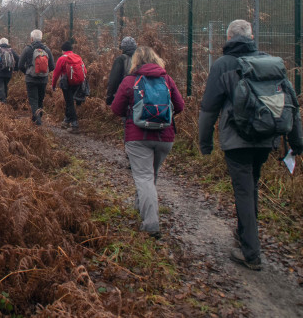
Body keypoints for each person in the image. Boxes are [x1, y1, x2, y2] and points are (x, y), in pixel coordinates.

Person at [198, 19, 303, 270]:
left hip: (237, 141)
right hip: (267, 137)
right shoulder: (270, 63)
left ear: (228, 37)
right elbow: (292, 104)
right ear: (251, 37)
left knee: (244, 190)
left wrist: (205, 143)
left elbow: (208, 109)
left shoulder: (223, 65)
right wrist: (296, 141)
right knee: (251, 185)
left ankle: (251, 252)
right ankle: (246, 235)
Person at [111, 46, 184, 239]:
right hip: (165, 136)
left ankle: (151, 223)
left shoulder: (130, 81)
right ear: (156, 59)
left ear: (135, 61)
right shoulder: (167, 79)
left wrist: (132, 111)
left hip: (138, 137)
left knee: (144, 177)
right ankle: (141, 206)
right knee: (151, 175)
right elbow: (180, 106)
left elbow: (116, 109)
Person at [18, 29, 55, 125]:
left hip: (31, 79)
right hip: (43, 79)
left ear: (31, 39)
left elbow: (20, 65)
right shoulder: (47, 49)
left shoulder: (28, 49)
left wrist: (27, 72)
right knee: (40, 99)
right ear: (41, 38)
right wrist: (44, 72)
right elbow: (52, 66)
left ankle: (37, 121)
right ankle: (38, 117)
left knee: (33, 100)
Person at [52, 41, 86, 133]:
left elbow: (56, 74)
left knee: (69, 103)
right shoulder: (77, 57)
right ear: (71, 49)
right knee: (69, 102)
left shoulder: (62, 59)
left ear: (63, 50)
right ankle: (66, 121)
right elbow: (84, 70)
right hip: (78, 83)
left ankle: (75, 125)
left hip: (66, 83)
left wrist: (53, 85)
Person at [106, 36, 137, 105]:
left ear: (123, 48)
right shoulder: (140, 59)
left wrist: (109, 97)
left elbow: (114, 80)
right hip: (139, 96)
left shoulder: (120, 59)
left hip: (125, 94)